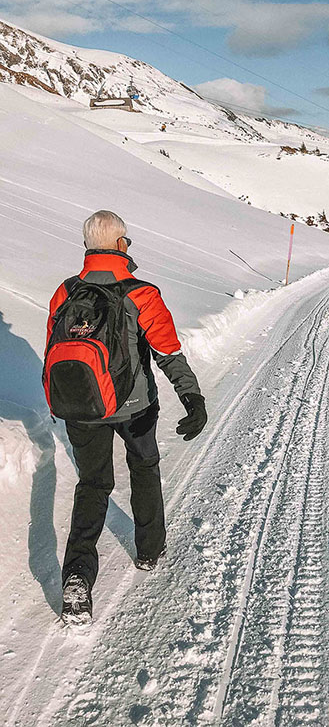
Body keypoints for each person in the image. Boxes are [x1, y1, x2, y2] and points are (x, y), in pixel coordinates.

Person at [45, 210, 207, 626]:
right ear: (119, 245)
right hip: (134, 408)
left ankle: (77, 579)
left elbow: (56, 352)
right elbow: (168, 352)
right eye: (127, 241)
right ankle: (150, 551)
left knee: (93, 484)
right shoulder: (142, 293)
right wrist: (191, 396)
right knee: (144, 468)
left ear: (87, 246)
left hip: (83, 407)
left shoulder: (65, 292)